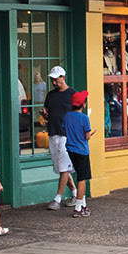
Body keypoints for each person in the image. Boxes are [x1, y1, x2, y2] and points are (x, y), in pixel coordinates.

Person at [41, 66, 76, 210]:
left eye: (56, 79)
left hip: (66, 135)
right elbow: (50, 112)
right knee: (62, 168)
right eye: (52, 80)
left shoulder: (72, 94)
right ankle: (75, 193)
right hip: (53, 132)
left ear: (63, 77)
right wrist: (45, 114)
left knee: (63, 168)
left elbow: (78, 114)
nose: (54, 82)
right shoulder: (50, 95)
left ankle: (57, 199)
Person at [63, 90, 94, 217]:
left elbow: (65, 129)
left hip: (70, 149)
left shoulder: (67, 116)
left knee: (80, 176)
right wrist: (90, 135)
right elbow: (87, 136)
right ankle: (78, 207)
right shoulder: (84, 118)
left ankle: (83, 205)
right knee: (82, 179)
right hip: (82, 150)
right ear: (83, 105)